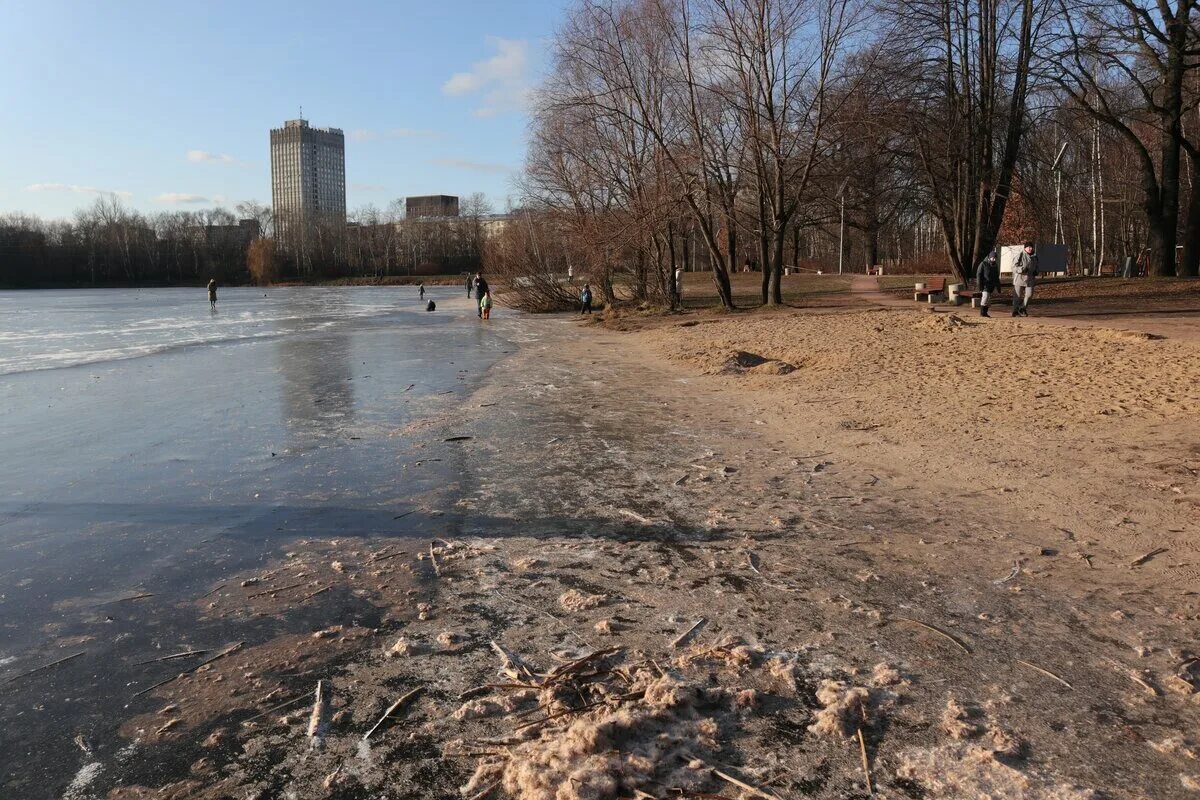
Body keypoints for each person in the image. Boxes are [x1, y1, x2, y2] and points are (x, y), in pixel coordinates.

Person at [1012, 242, 1037, 317]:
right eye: (1028, 247)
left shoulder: (1035, 257)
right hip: (1019, 278)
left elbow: (1037, 266)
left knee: (1029, 295)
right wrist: (1021, 269)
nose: (1030, 248)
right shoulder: (1020, 255)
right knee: (1017, 296)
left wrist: (1036, 271)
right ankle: (1015, 310)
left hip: (1030, 279)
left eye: (1031, 247)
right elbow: (1013, 267)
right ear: (1025, 248)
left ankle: (1022, 308)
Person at [975, 250, 999, 317]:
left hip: (991, 285)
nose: (993, 259)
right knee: (985, 298)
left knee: (988, 300)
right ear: (989, 257)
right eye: (992, 258)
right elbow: (979, 274)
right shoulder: (983, 264)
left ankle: (985, 312)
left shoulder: (995, 266)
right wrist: (979, 285)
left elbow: (996, 277)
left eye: (995, 258)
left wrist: (998, 287)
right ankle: (982, 313)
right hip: (985, 284)